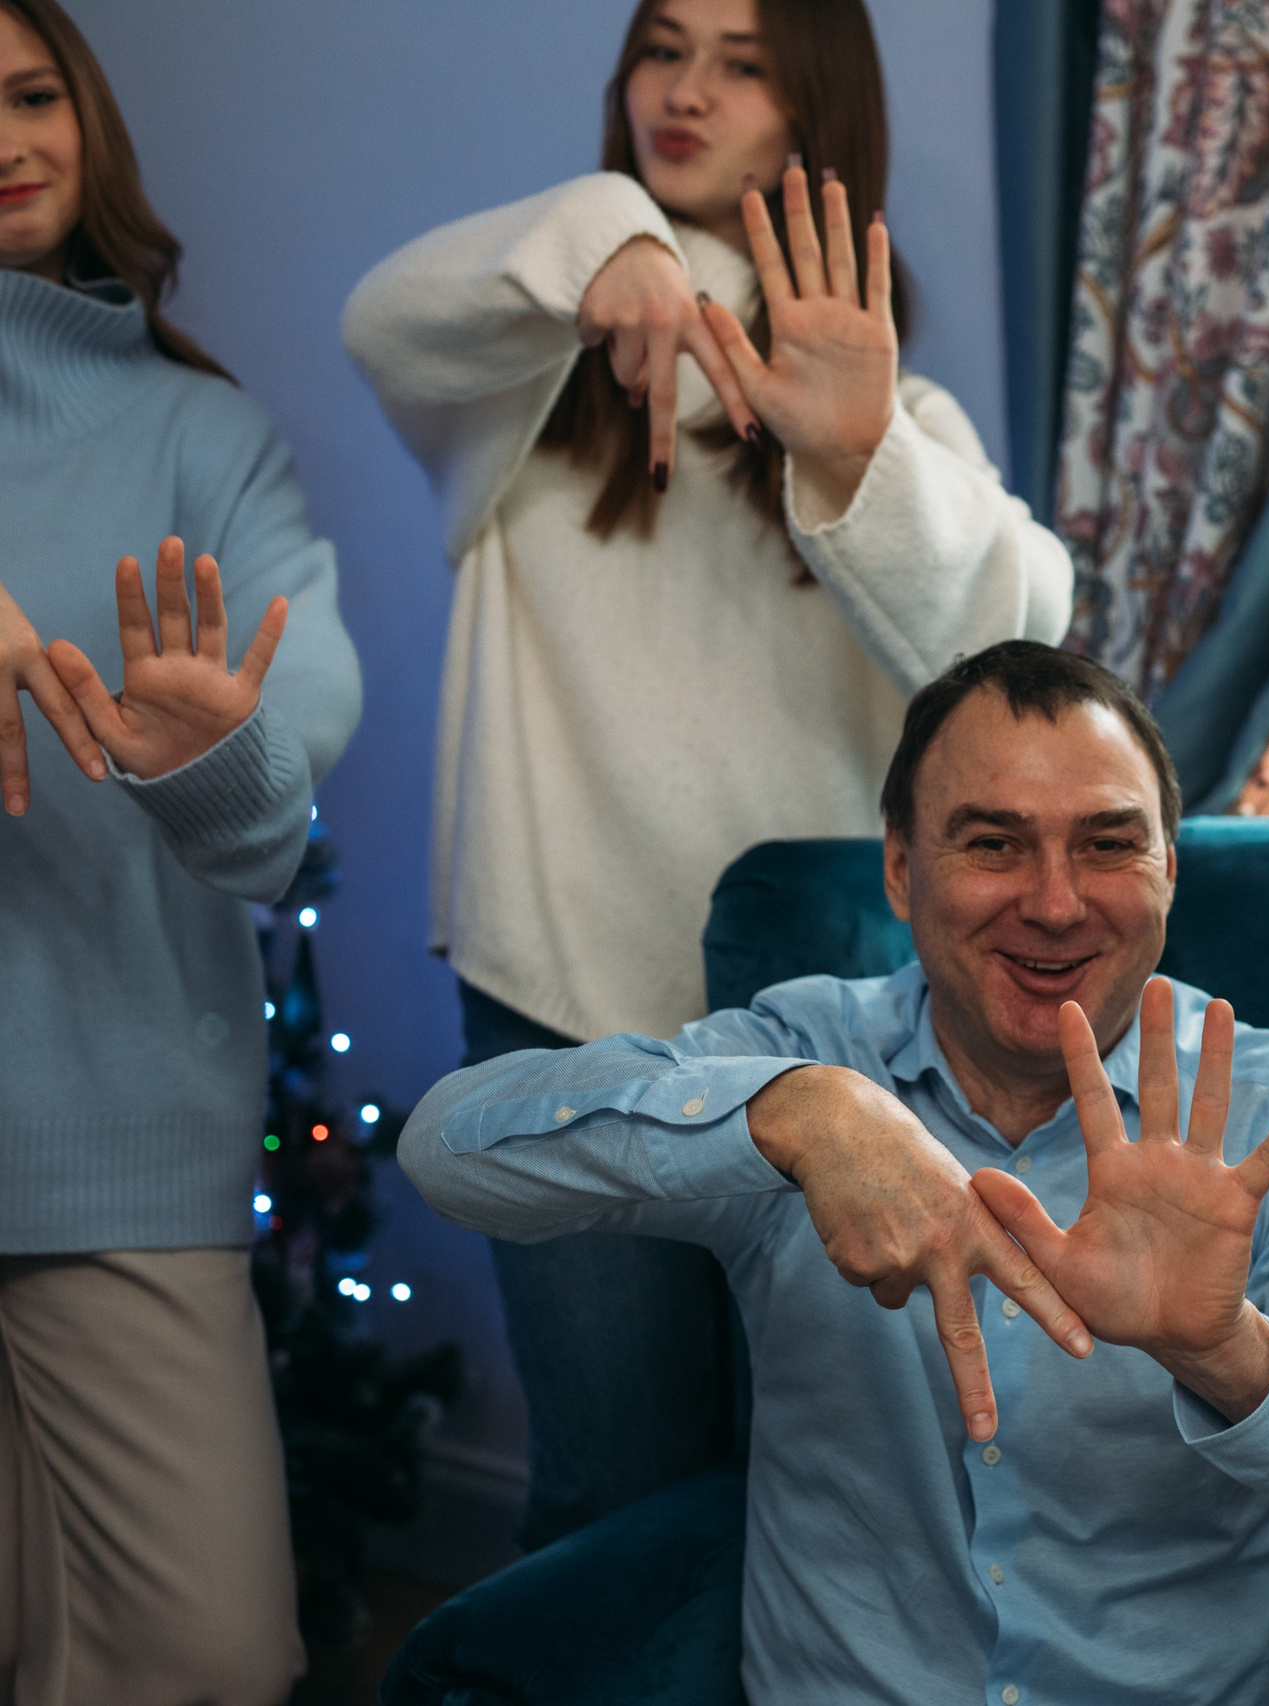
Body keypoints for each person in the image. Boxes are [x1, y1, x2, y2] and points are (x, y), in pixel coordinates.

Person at [401, 639, 1269, 1704]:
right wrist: (789, 1113)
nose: (1053, 900)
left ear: (1169, 871)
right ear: (901, 870)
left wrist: (1225, 1350)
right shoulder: (806, 1061)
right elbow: (448, 1146)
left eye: (1106, 842)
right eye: (993, 842)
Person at [343, 0, 1074, 1543]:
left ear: (815, 111)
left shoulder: (897, 419)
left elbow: (1011, 633)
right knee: (615, 1489)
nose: (686, 90)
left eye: (743, 62)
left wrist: (856, 452)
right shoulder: (518, 385)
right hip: (564, 1015)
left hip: (821, 1059)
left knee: (823, 1500)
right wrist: (610, 240)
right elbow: (383, 314)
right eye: (663, 48)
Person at [0, 1, 365, 1700]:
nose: (5, 138)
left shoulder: (204, 439)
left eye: (28, 93)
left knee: (210, 1657)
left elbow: (305, 744)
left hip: (113, 1142)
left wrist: (216, 750)